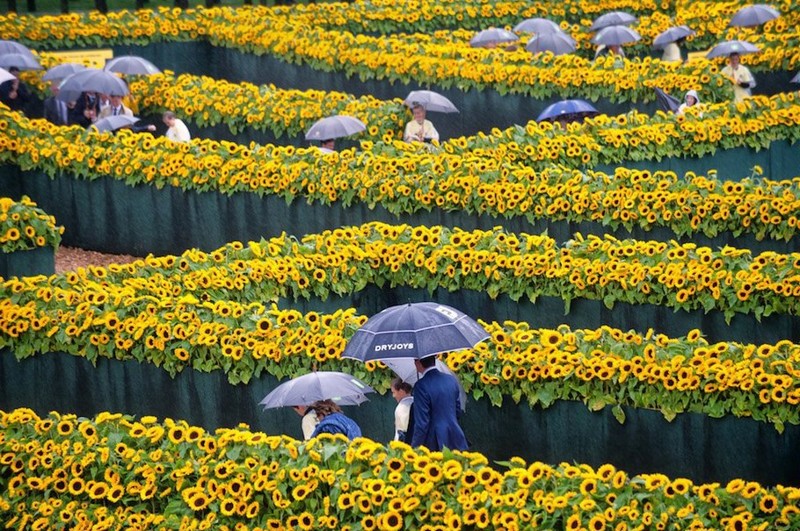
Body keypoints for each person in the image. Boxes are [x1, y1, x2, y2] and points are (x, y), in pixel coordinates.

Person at [409, 355, 468, 451]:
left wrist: (415, 448)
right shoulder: (451, 380)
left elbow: (422, 423)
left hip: (434, 442)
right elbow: (457, 410)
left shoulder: (421, 386)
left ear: (418, 363)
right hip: (455, 437)